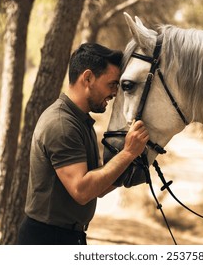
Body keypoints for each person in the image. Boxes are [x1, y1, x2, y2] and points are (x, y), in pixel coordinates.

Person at [18, 43, 149, 245]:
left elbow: (97, 188)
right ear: (87, 78)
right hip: (46, 240)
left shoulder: (80, 121)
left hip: (69, 237)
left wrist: (134, 164)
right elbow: (82, 190)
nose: (115, 93)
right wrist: (127, 153)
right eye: (112, 84)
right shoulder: (62, 124)